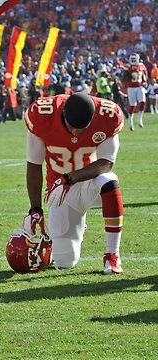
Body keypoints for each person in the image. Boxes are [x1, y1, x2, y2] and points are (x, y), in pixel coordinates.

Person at [23, 93, 125, 274]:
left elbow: (106, 163)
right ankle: (78, 227)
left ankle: (112, 254)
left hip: (90, 182)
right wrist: (35, 209)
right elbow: (34, 164)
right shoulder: (42, 114)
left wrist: (70, 178)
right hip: (61, 193)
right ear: (62, 114)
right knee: (65, 262)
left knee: (109, 180)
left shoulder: (107, 115)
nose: (76, 133)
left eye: (82, 129)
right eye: (72, 127)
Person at [124, 53, 147, 131]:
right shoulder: (128, 67)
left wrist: (144, 81)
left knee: (142, 102)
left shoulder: (142, 65)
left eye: (135, 59)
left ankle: (139, 118)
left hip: (140, 86)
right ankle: (130, 122)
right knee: (133, 105)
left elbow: (145, 74)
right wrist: (126, 74)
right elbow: (124, 78)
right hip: (131, 87)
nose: (133, 61)